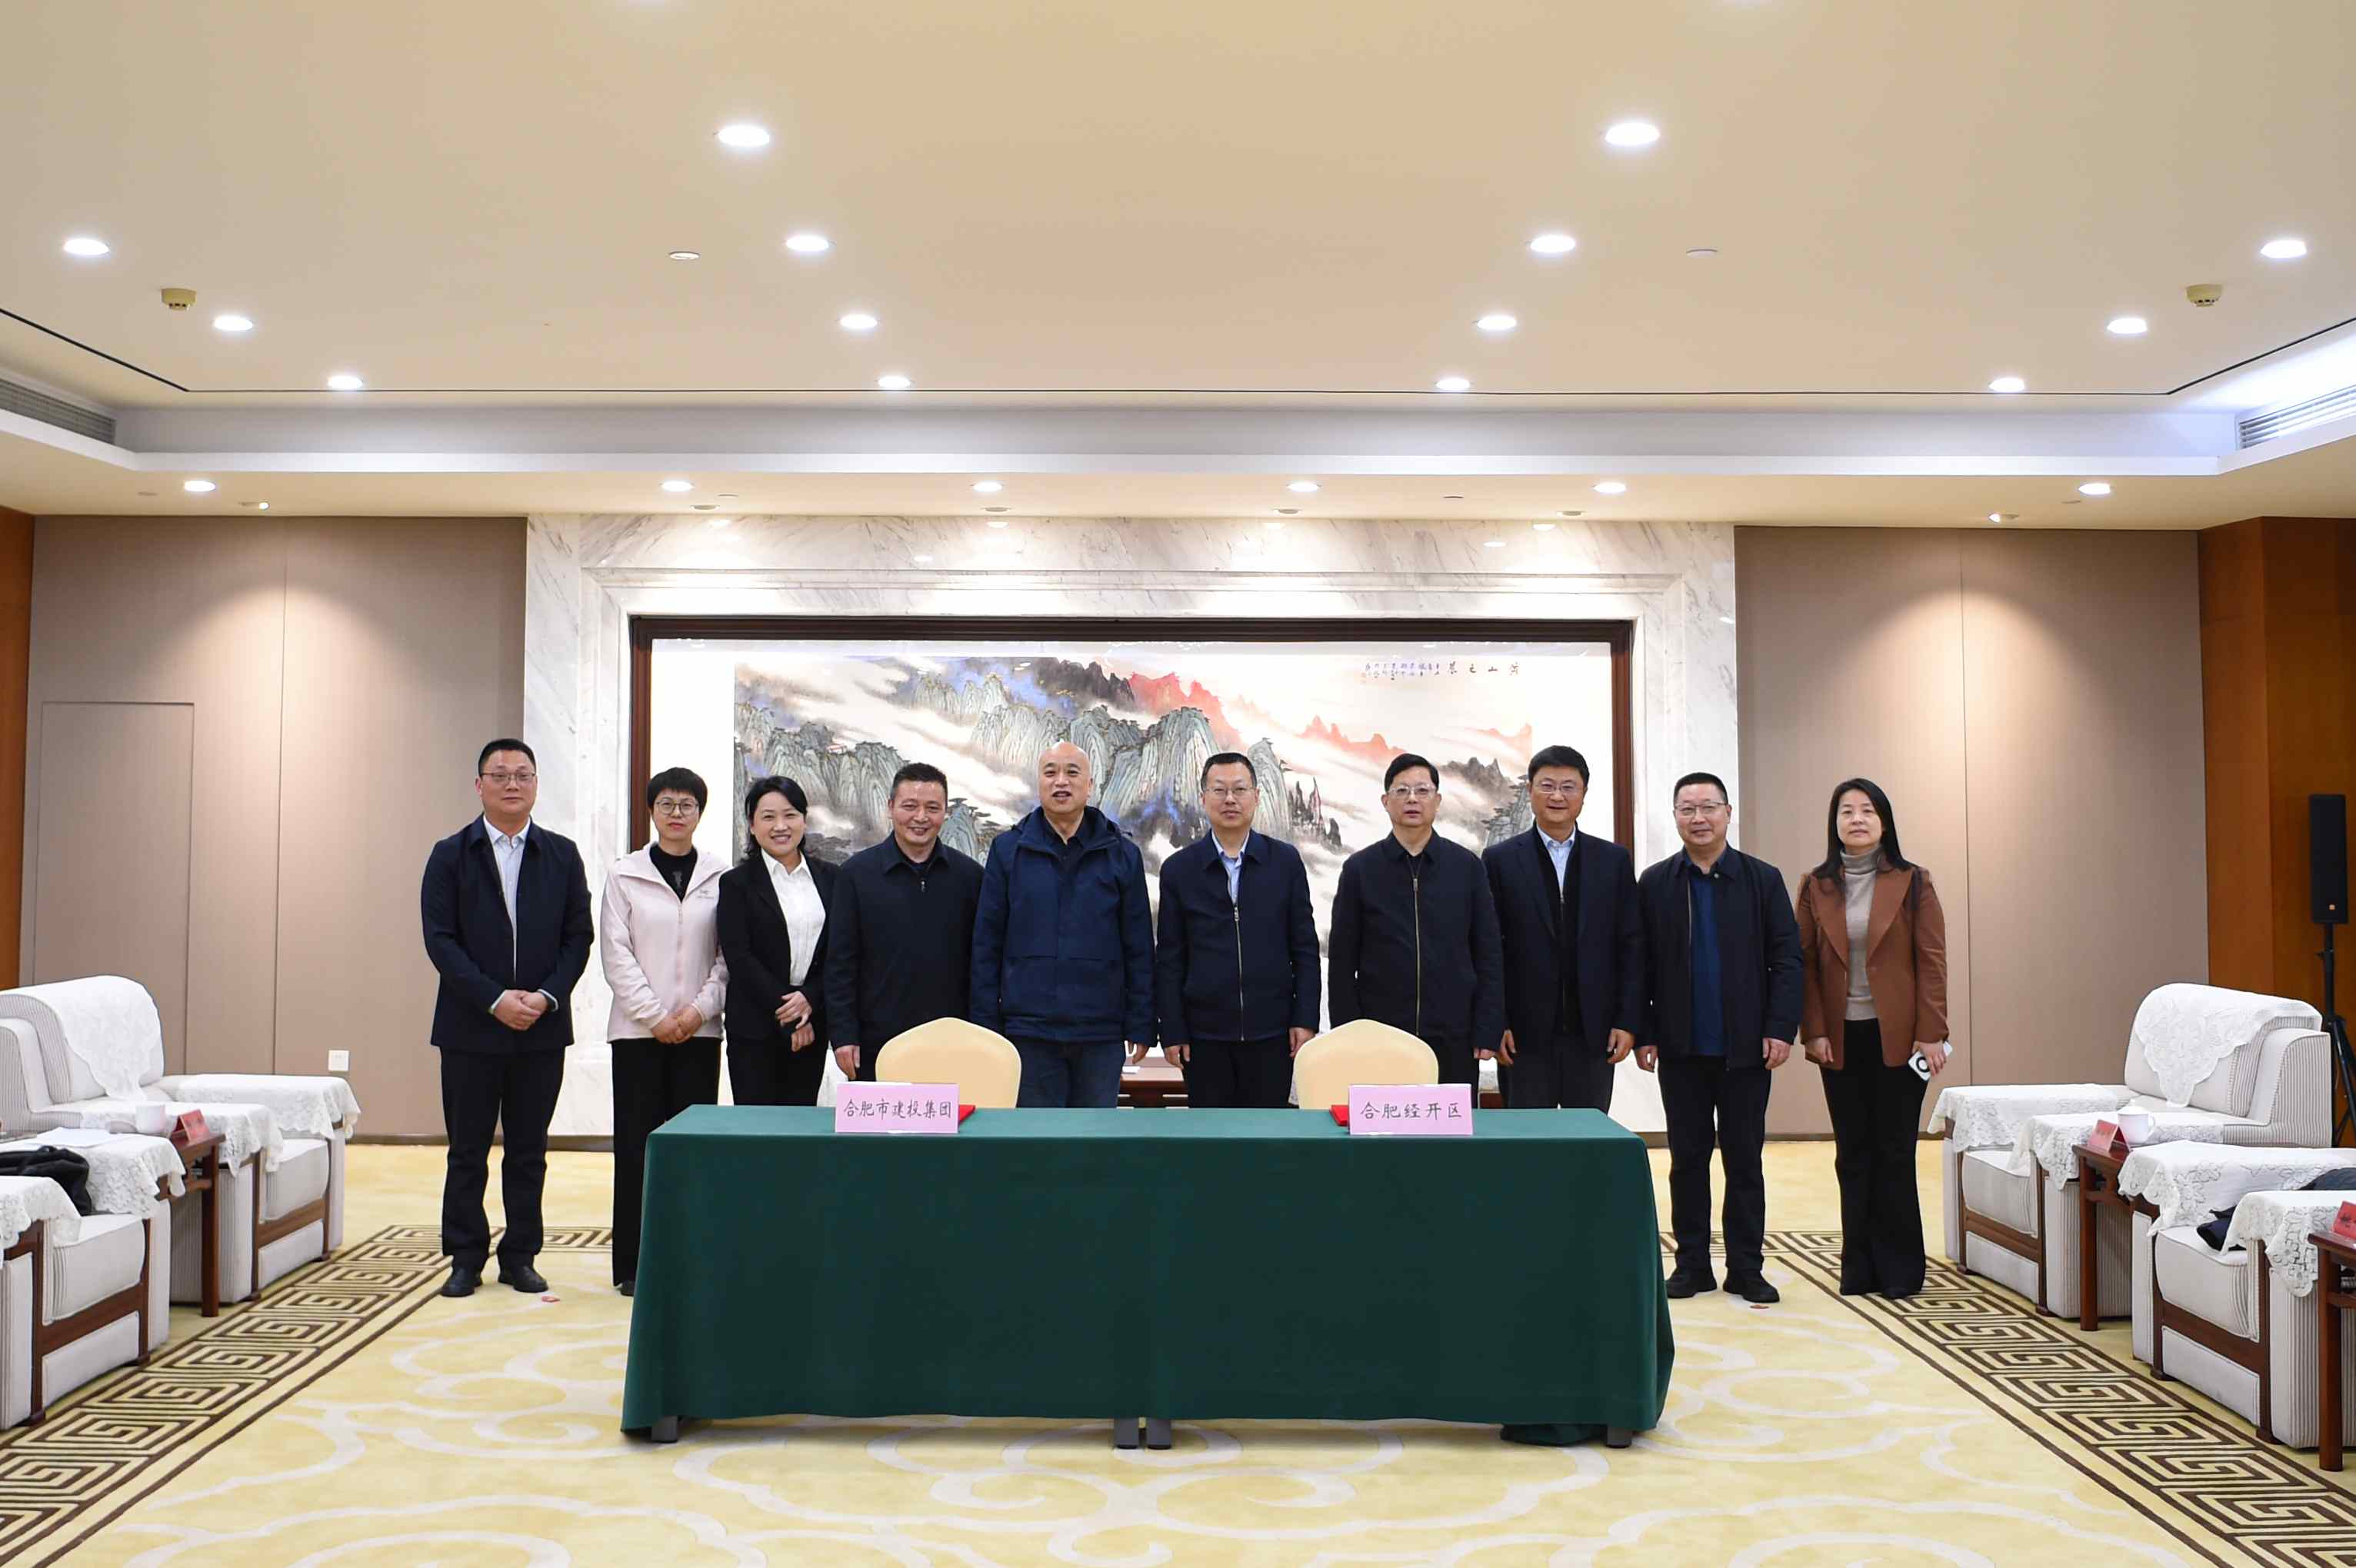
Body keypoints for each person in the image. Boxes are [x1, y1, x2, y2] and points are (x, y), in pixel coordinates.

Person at [420, 738, 592, 1300]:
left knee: (528, 1150)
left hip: (541, 1028)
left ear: (536, 784)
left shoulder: (562, 854)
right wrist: (495, 999)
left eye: (523, 774)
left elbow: (578, 937)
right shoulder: (450, 854)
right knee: (467, 1150)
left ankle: (520, 1256)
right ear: (479, 786)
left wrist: (544, 996)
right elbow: (440, 940)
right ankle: (464, 1257)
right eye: (500, 775)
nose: (512, 784)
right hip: (469, 1028)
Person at [1636, 771, 1801, 1306]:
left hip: (1746, 1050)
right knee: (1686, 1160)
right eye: (1687, 808)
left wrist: (1779, 1028)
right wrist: (1644, 1032)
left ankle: (1746, 1267)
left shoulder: (1761, 879)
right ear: (1675, 817)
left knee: (1744, 1160)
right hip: (1680, 1049)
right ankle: (1691, 1265)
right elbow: (1639, 966)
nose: (1699, 818)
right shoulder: (1656, 882)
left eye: (1708, 807)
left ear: (1728, 813)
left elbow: (1787, 959)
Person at [1796, 777, 1951, 1299]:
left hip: (1901, 1039)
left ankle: (1900, 1270)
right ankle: (1858, 1268)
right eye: (1846, 811)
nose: (1857, 819)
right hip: (1840, 1038)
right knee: (1852, 1153)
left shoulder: (1913, 881)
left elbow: (1931, 961)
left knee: (1894, 1151)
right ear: (1834, 823)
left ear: (1883, 822)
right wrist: (1814, 1030)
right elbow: (1805, 965)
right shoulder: (1815, 885)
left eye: (1867, 810)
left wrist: (1931, 1033)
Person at [598, 766, 727, 1297]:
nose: (677, 813)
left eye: (687, 804)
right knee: (637, 1149)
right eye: (667, 804)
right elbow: (615, 953)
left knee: (693, 1150)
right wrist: (655, 1016)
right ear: (651, 811)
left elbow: (727, 957)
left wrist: (697, 1012)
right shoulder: (624, 874)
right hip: (637, 1034)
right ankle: (633, 1264)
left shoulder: (720, 876)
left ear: (700, 812)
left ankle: (690, 1258)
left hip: (700, 1033)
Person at [971, 741, 1153, 1107]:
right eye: (1050, 772)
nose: (1061, 782)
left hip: (1100, 1033)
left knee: (1094, 1136)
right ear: (1039, 783)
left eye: (1072, 772)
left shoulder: (1121, 854)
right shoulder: (1009, 850)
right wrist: (985, 1024)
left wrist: (1142, 1021)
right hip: (1027, 1032)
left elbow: (1139, 946)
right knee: (1036, 1137)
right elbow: (987, 943)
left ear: (1090, 785)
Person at [1480, 744, 1644, 1112]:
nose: (1557, 796)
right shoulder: (1499, 861)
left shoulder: (1612, 861)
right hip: (1522, 1035)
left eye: (1569, 787)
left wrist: (1627, 1020)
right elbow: (1489, 950)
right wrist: (1496, 1022)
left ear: (1584, 793)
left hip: (1595, 1033)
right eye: (1547, 785)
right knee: (1528, 1138)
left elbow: (1631, 946)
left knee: (1588, 1136)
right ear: (1530, 790)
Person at [1328, 753, 1505, 1090]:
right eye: (1402, 791)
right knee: (1383, 1122)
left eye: (1423, 791)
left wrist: (1487, 1026)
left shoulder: (1466, 867)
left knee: (1448, 1123)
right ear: (1386, 801)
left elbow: (1489, 953)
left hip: (1454, 1034)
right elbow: (1342, 960)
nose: (1412, 799)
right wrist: (1348, 1031)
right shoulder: (1360, 870)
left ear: (1437, 801)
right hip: (1381, 1035)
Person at [1155, 752, 1321, 1107]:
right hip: (1203, 1038)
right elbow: (1169, 958)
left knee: (1266, 1133)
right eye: (1219, 790)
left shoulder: (1285, 862)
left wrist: (1305, 1018)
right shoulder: (1180, 870)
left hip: (1273, 1034)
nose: (1230, 799)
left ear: (1256, 797)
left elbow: (1305, 949)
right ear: (1203, 798)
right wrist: (1172, 1028)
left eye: (1240, 789)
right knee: (1211, 1135)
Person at [825, 762, 984, 1082]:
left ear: (945, 813)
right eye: (910, 806)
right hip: (877, 1043)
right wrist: (843, 1034)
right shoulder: (856, 875)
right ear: (890, 807)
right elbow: (840, 962)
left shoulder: (971, 877)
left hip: (952, 1041)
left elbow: (982, 962)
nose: (921, 817)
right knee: (884, 1118)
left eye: (932, 808)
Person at [717, 776, 838, 1107]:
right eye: (768, 817)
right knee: (756, 1129)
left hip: (813, 1025)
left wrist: (810, 1000)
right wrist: (792, 1015)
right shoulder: (736, 884)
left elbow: (839, 952)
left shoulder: (832, 879)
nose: (780, 826)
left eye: (790, 815)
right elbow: (740, 958)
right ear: (752, 825)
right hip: (755, 1029)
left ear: (804, 820)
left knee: (800, 1128)